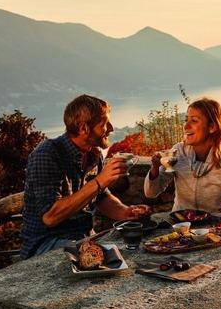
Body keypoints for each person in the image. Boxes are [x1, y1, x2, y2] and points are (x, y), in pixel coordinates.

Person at [20, 94, 150, 259]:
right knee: (117, 257)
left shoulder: (94, 154)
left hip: (84, 238)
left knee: (138, 249)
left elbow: (101, 196)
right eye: (104, 124)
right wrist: (100, 181)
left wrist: (126, 212)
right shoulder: (47, 154)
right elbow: (50, 217)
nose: (111, 128)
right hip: (46, 243)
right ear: (83, 128)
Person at [144, 97, 221, 218]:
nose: (186, 126)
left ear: (212, 127)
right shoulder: (177, 153)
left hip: (215, 229)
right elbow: (151, 193)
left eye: (194, 121)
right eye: (186, 120)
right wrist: (155, 168)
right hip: (180, 225)